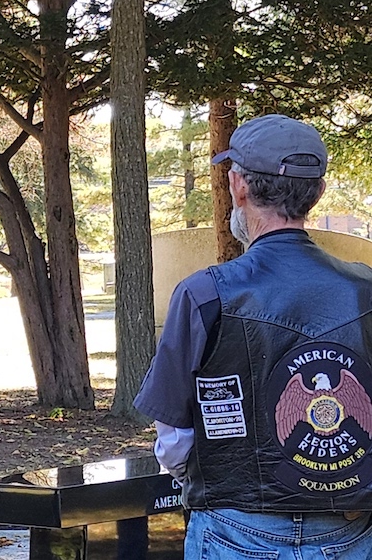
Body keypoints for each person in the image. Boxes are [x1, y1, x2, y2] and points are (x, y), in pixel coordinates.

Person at [134, 114, 372, 559]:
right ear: (318, 192)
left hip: (233, 528)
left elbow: (173, 438)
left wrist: (220, 484)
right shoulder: (367, 291)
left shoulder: (204, 293)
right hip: (349, 530)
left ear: (238, 185)